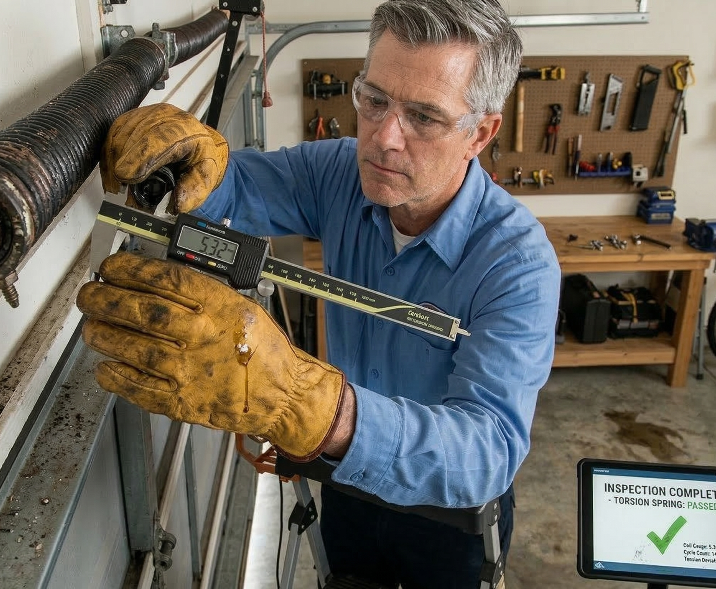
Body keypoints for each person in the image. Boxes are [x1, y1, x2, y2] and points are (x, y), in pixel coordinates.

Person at [77, 0, 561, 585]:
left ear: (480, 131)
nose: (384, 138)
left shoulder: (518, 263)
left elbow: (488, 449)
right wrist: (193, 159)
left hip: (448, 517)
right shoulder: (341, 175)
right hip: (348, 481)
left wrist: (311, 407)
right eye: (374, 99)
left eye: (425, 118)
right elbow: (238, 189)